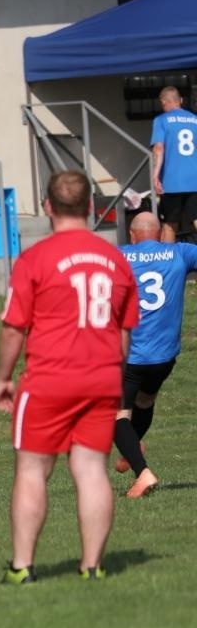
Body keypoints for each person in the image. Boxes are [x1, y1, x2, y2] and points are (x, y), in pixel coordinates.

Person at [0, 170, 139, 584]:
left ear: (47, 207)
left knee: (31, 470)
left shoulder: (35, 259)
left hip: (48, 379)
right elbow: (125, 334)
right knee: (92, 469)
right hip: (102, 378)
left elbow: (12, 328)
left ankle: (23, 567)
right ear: (92, 207)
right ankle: (91, 566)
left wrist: (3, 378)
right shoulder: (116, 260)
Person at [110, 210, 197, 498]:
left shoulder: (118, 256)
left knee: (115, 415)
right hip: (164, 358)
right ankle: (131, 448)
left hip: (131, 356)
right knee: (145, 402)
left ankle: (143, 473)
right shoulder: (181, 253)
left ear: (132, 236)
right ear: (160, 235)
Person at [150, 86, 197, 243]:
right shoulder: (195, 119)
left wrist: (155, 175)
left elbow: (158, 148)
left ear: (163, 103)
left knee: (170, 224)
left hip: (172, 181)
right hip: (195, 179)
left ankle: (168, 262)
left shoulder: (161, 120)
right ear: (181, 100)